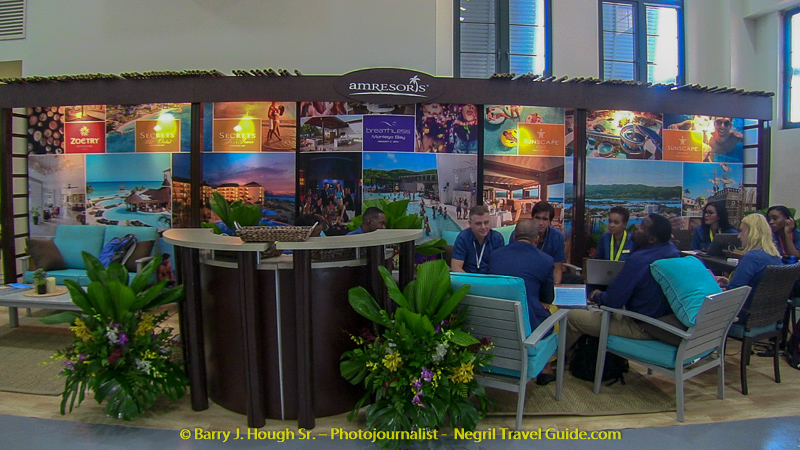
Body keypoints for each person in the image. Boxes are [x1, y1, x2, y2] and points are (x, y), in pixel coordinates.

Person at [566, 214, 682, 349]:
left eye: (642, 227)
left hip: (642, 326)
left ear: (652, 239)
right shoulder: (672, 251)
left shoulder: (639, 261)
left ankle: (556, 357)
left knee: (570, 315)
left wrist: (596, 295)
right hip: (665, 323)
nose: (636, 227)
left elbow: (613, 301)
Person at [488, 219, 556, 385]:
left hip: (495, 325)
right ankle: (546, 369)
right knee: (552, 314)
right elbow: (548, 299)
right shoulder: (545, 260)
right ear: (537, 239)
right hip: (528, 330)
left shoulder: (494, 256)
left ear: (514, 237)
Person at [715, 214, 782, 322]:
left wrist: (711, 287)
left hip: (744, 315)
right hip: (767, 316)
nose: (739, 236)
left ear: (752, 233)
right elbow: (758, 284)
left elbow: (734, 292)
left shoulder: (751, 258)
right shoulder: (775, 257)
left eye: (742, 231)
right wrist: (729, 282)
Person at [451, 205, 505, 274]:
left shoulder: (497, 238)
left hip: (490, 278)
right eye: (478, 224)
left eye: (486, 222)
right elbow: (455, 268)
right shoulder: (463, 238)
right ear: (470, 223)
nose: (483, 227)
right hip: (468, 277)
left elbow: (500, 267)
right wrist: (471, 280)